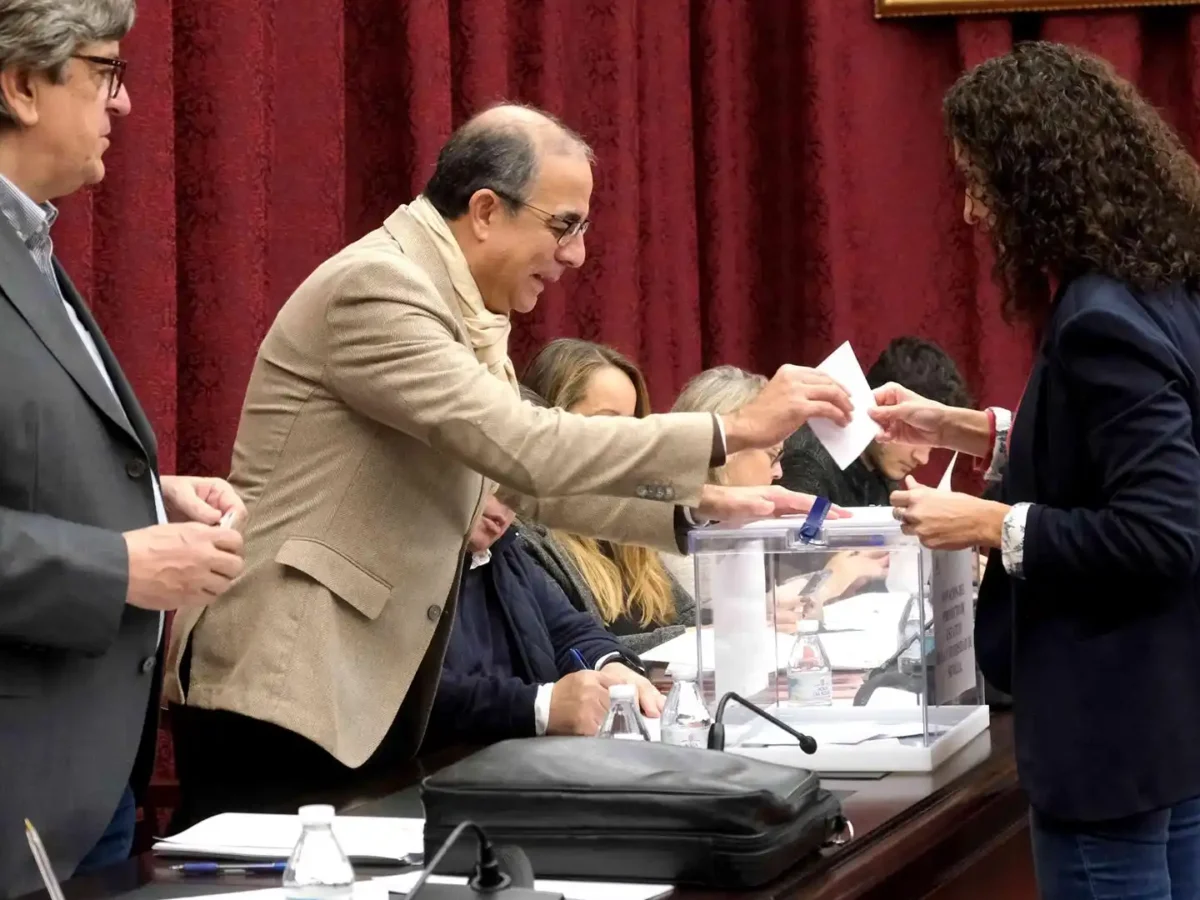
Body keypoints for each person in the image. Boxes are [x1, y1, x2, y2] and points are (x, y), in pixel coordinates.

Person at [166, 102, 852, 826]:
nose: (577, 255)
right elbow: (525, 443)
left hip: (361, 688)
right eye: (565, 226)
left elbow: (521, 484)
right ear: (486, 210)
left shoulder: (462, 300)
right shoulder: (380, 287)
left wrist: (695, 509)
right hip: (288, 684)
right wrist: (730, 430)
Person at [872, 42, 1200, 900]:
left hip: (1112, 730)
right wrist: (974, 431)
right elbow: (1111, 454)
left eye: (985, 184)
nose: (976, 213)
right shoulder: (1163, 287)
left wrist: (986, 524)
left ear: (1043, 183)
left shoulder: (1101, 319)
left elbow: (1163, 531)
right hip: (1173, 718)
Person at [0, 3, 247, 896]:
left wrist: (149, 499)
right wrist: (116, 565)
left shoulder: (28, 244)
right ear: (20, 85)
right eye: (106, 71)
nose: (127, 103)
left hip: (87, 775)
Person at [422, 496, 662, 752]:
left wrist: (612, 666)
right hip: (424, 776)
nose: (505, 510)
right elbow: (410, 694)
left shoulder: (506, 554)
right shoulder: (396, 565)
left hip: (524, 761)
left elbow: (571, 632)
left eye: (516, 494)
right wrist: (540, 707)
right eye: (494, 486)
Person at [661, 366, 886, 622]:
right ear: (726, 451)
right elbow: (721, 625)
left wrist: (837, 578)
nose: (779, 472)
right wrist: (828, 583)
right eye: (772, 456)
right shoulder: (671, 533)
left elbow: (768, 602)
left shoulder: (727, 527)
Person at [518, 339, 695, 652]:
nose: (625, 444)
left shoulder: (628, 523)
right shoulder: (526, 533)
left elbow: (687, 617)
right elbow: (571, 652)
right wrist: (697, 636)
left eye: (633, 428)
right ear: (549, 424)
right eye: (608, 424)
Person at [778, 336, 973, 508]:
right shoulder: (807, 462)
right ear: (884, 403)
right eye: (918, 435)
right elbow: (804, 547)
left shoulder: (881, 471)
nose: (923, 459)